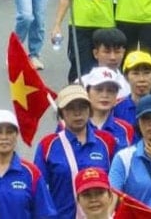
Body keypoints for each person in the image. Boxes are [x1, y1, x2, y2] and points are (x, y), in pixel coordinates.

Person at [35, 85, 115, 216]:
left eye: (82, 107)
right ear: (61, 113)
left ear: (90, 110)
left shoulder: (106, 141)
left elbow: (117, 185)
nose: (77, 113)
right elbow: (39, 192)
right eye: (71, 108)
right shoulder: (48, 145)